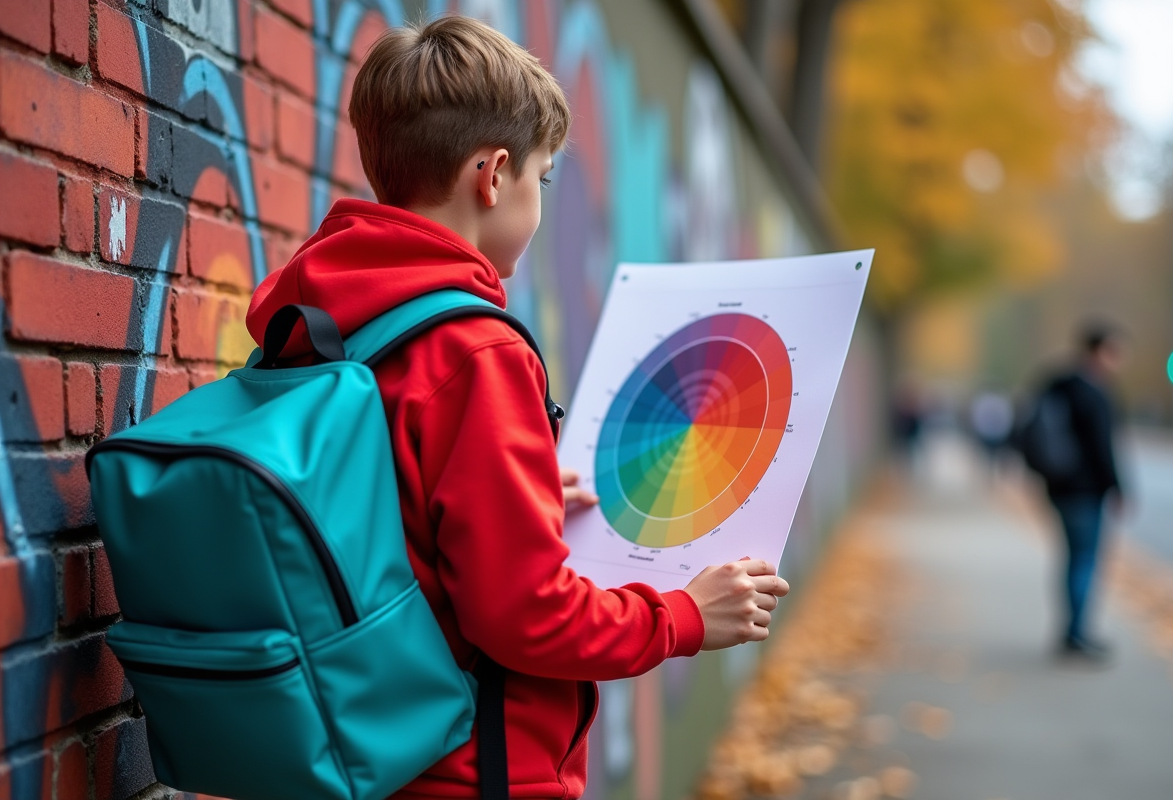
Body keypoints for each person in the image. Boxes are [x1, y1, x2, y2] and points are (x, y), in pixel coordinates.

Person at [244, 16, 790, 800]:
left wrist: (527, 503)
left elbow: (374, 511)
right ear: (493, 176)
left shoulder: (317, 320)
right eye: (543, 177)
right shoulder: (475, 350)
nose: (539, 200)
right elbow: (524, 615)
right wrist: (683, 616)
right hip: (468, 772)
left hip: (345, 751)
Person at [1039, 324, 1125, 661]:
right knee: (1085, 560)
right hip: (1086, 490)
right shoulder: (1094, 392)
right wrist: (1117, 487)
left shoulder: (1056, 383)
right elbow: (1103, 448)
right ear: (1099, 351)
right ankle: (1077, 634)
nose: (1119, 359)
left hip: (1058, 486)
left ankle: (1070, 631)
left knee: (1071, 558)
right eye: (1115, 350)